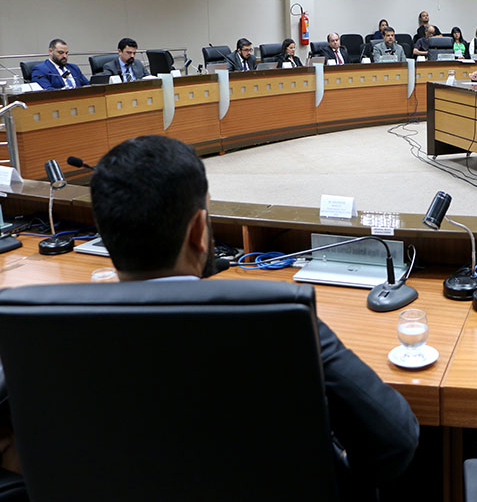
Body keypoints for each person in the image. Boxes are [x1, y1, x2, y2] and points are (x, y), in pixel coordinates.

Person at [89, 135, 420, 497]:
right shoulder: (279, 317)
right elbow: (396, 439)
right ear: (200, 231)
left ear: (105, 234)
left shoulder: (50, 327)